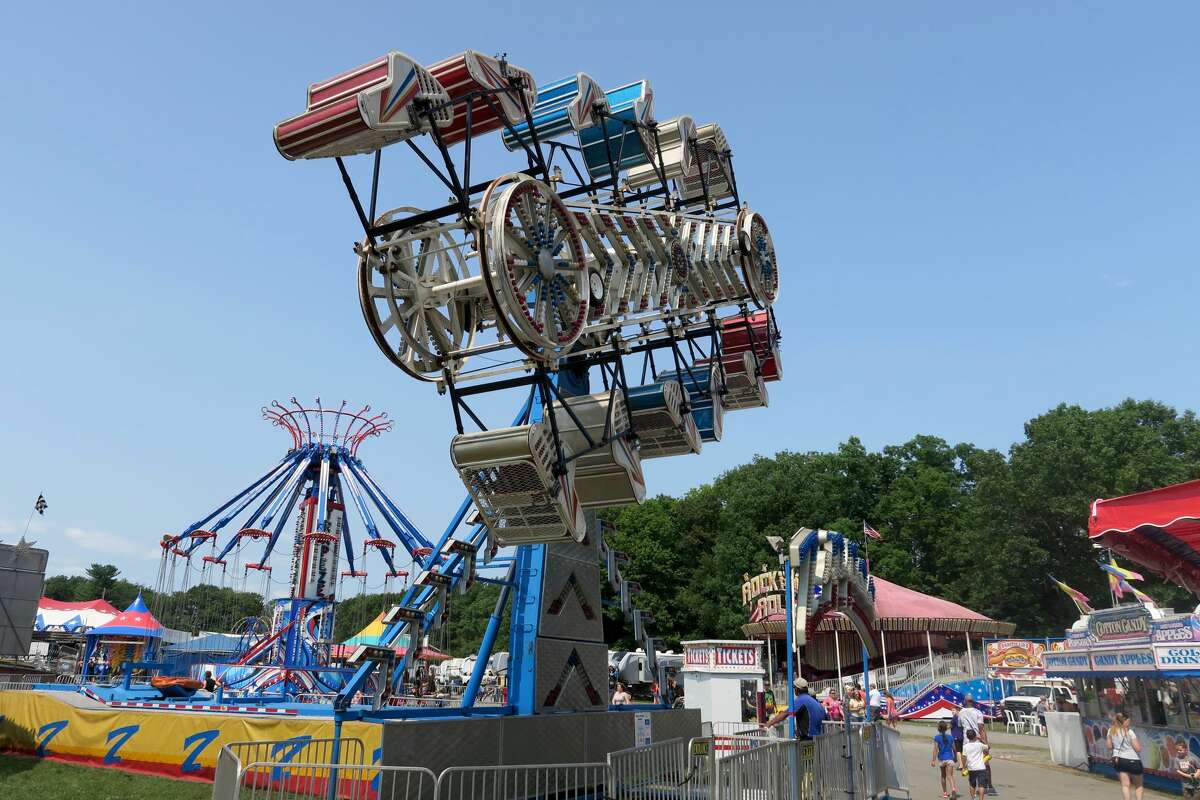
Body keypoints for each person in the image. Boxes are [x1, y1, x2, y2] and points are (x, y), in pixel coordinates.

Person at [762, 677, 827, 740]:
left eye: (794, 688)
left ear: (797, 689)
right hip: (819, 739)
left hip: (808, 739)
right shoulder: (816, 702)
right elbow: (824, 717)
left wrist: (768, 724)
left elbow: (785, 714)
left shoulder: (801, 699)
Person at [959, 696, 996, 795]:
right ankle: (989, 785)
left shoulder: (961, 712)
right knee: (985, 762)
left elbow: (959, 726)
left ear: (965, 701)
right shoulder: (977, 712)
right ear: (973, 702)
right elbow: (981, 729)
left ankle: (973, 788)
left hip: (967, 741)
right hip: (978, 741)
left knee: (970, 764)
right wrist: (985, 743)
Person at [1107, 712, 1143, 800]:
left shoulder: (1111, 731)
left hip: (1119, 760)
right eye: (1128, 720)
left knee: (1125, 785)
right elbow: (1138, 749)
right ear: (1125, 721)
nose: (1129, 722)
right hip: (1133, 759)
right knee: (1138, 785)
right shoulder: (1129, 732)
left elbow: (1109, 746)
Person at [931, 720, 959, 799]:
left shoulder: (937, 737)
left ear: (939, 728)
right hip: (950, 758)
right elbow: (954, 748)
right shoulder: (950, 737)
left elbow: (935, 749)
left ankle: (945, 793)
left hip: (942, 759)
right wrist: (956, 757)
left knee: (943, 776)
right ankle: (953, 789)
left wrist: (933, 760)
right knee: (950, 775)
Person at [960, 729, 990, 800]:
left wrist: (963, 767)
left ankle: (972, 798)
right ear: (975, 736)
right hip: (981, 767)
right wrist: (982, 739)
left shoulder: (965, 746)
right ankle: (981, 798)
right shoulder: (979, 745)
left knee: (972, 784)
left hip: (971, 768)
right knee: (981, 785)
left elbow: (964, 757)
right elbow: (988, 747)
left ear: (967, 737)